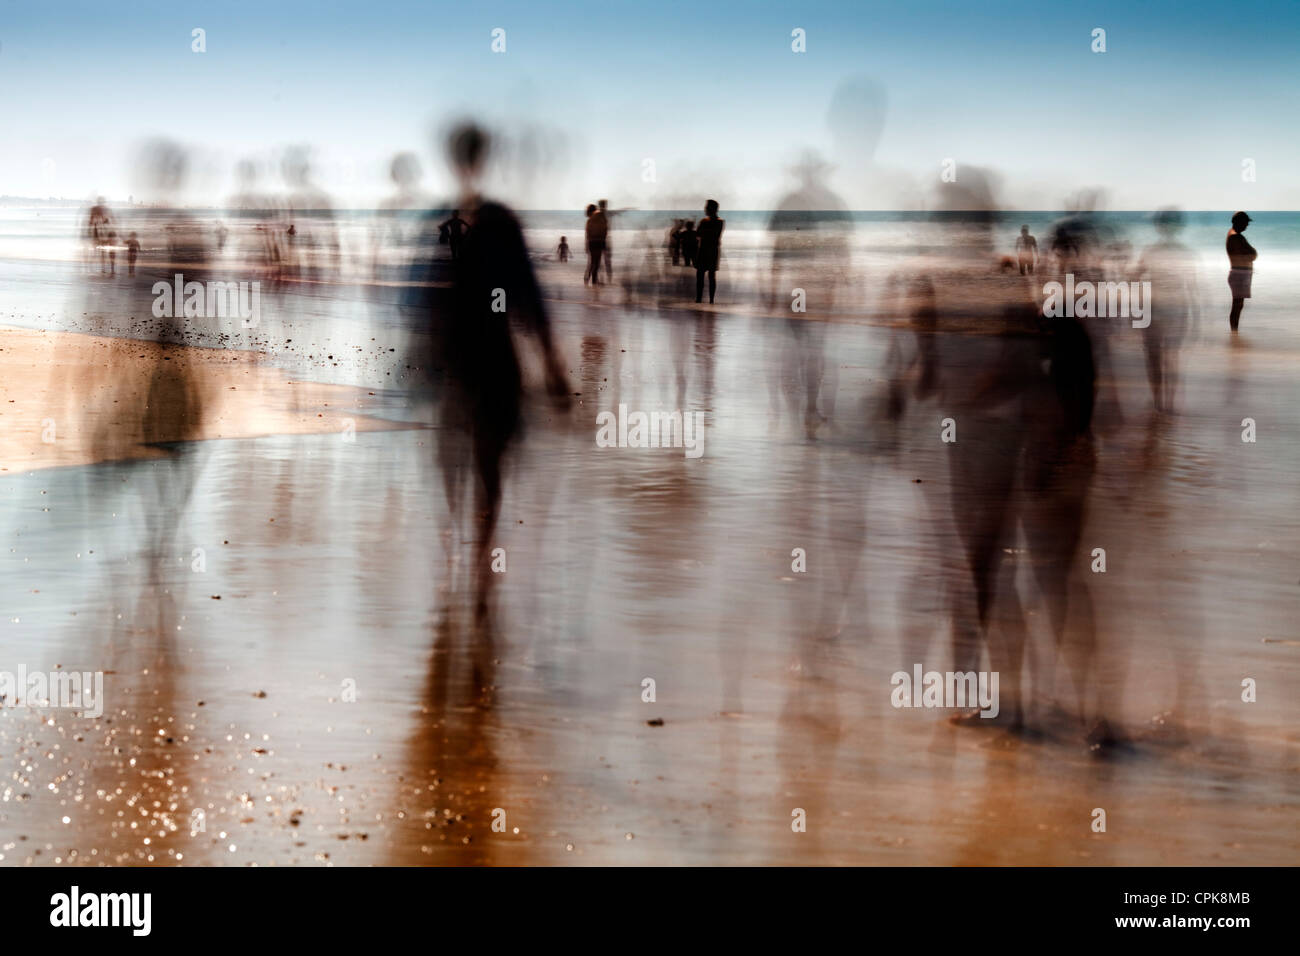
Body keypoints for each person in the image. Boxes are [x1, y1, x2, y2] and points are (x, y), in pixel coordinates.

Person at [1226, 211, 1256, 332]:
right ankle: (1234, 333)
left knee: (1238, 306)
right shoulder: (1236, 237)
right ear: (1239, 222)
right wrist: (1252, 253)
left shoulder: (1232, 234)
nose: (1247, 225)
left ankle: (1234, 334)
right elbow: (1252, 255)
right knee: (1237, 306)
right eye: (1245, 222)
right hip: (1239, 275)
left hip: (1239, 274)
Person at [694, 200, 724, 303]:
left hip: (707, 250)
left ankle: (703, 299)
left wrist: (704, 232)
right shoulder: (719, 221)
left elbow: (699, 234)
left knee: (705, 276)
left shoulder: (707, 221)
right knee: (708, 276)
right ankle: (708, 300)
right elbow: (701, 234)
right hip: (710, 250)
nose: (705, 209)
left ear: (712, 209)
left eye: (706, 207)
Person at [585, 202, 607, 285]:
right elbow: (605, 230)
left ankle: (587, 279)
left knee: (592, 262)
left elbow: (588, 234)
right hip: (599, 241)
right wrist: (604, 243)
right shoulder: (601, 216)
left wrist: (587, 246)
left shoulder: (589, 220)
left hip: (592, 242)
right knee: (597, 262)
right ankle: (594, 281)